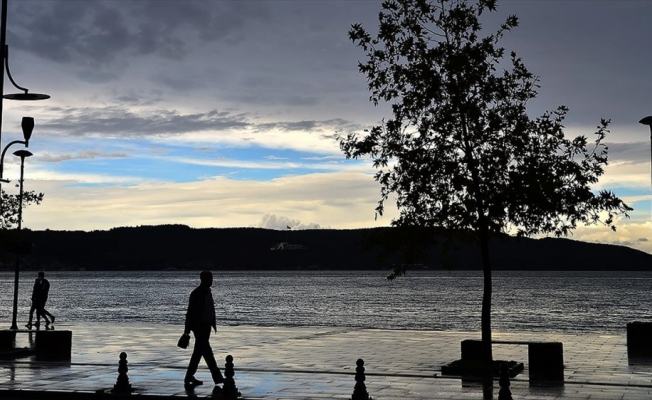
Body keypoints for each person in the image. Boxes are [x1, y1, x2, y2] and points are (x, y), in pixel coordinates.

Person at [183, 270, 225, 387]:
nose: (211, 281)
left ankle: (189, 376)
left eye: (211, 278)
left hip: (206, 326)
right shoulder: (197, 293)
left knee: (199, 352)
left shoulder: (207, 292)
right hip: (200, 326)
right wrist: (187, 330)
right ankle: (217, 377)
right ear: (202, 279)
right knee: (207, 352)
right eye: (208, 278)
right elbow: (190, 312)